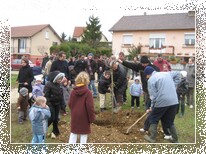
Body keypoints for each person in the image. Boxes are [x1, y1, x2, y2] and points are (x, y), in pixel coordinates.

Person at [143, 66, 181, 143]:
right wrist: (173, 85)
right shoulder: (167, 74)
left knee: (153, 118)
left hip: (162, 101)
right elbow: (178, 74)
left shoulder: (151, 80)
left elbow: (153, 96)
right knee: (169, 121)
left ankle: (152, 138)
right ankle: (175, 140)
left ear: (148, 74)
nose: (147, 77)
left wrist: (152, 107)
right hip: (174, 101)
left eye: (146, 76)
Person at [68, 71, 96, 144]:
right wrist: (92, 118)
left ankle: (70, 150)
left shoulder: (73, 91)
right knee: (84, 134)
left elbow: (70, 103)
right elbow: (90, 107)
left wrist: (74, 110)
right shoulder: (88, 92)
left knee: (74, 132)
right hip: (84, 116)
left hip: (75, 114)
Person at [44, 71, 65, 139]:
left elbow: (61, 96)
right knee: (52, 118)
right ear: (55, 78)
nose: (60, 80)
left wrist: (63, 105)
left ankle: (55, 131)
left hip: (57, 104)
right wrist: (49, 104)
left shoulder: (59, 85)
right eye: (59, 79)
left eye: (61, 79)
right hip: (51, 104)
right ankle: (43, 128)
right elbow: (46, 96)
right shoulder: (48, 84)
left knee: (56, 119)